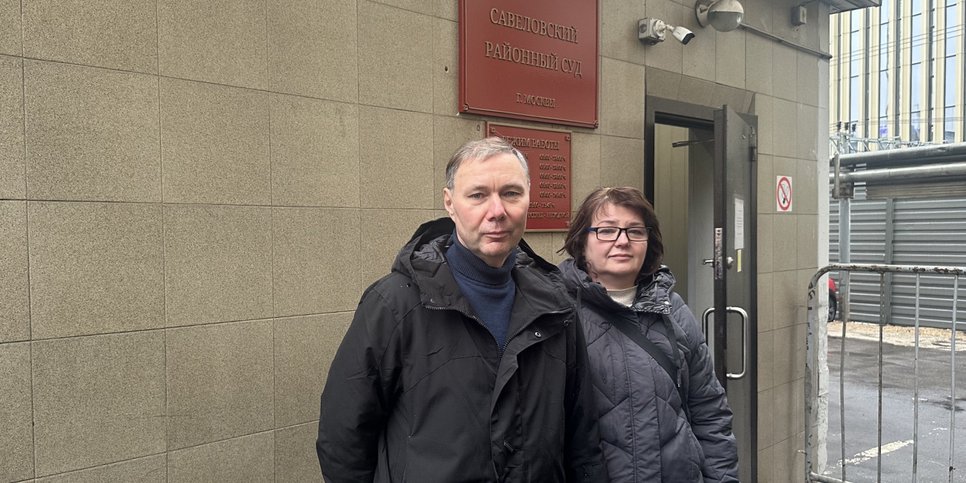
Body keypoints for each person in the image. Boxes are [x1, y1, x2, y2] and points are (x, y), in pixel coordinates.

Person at [316, 137, 605, 482]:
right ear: (450, 203)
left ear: (529, 197)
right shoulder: (394, 304)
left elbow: (582, 438)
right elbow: (343, 437)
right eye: (478, 195)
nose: (497, 211)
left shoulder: (557, 306)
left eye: (511, 193)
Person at [558, 187, 739, 482]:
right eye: (607, 230)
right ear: (582, 241)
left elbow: (709, 411)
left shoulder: (673, 311)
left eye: (635, 231)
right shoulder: (557, 313)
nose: (622, 241)